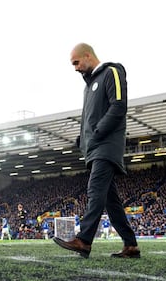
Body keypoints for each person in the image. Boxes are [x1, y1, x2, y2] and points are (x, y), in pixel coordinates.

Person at [53, 43, 140, 259]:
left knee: (95, 190)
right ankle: (131, 246)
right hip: (94, 147)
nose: (75, 68)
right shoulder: (89, 85)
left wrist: (98, 132)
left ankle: (84, 240)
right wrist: (82, 138)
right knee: (112, 202)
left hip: (107, 145)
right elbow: (90, 118)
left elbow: (119, 106)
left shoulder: (112, 71)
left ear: (88, 56)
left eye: (76, 62)